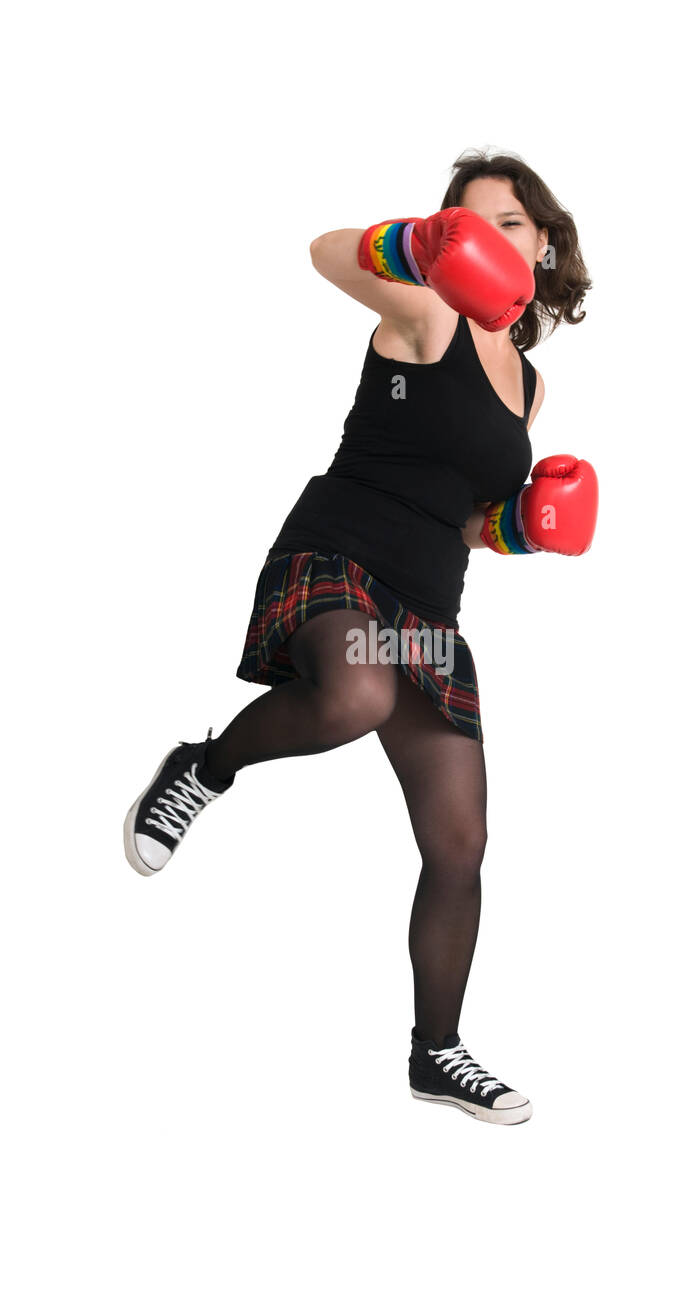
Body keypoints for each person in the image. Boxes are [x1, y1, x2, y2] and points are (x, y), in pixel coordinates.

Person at [123, 148, 597, 1125]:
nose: (491, 241)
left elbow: (467, 516)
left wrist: (521, 528)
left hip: (429, 600)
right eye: (466, 224)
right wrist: (416, 247)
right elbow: (325, 253)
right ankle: (205, 767)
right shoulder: (425, 312)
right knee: (355, 691)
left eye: (508, 224)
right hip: (340, 554)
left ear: (541, 242)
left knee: (460, 842)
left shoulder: (530, 391)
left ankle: (437, 1052)